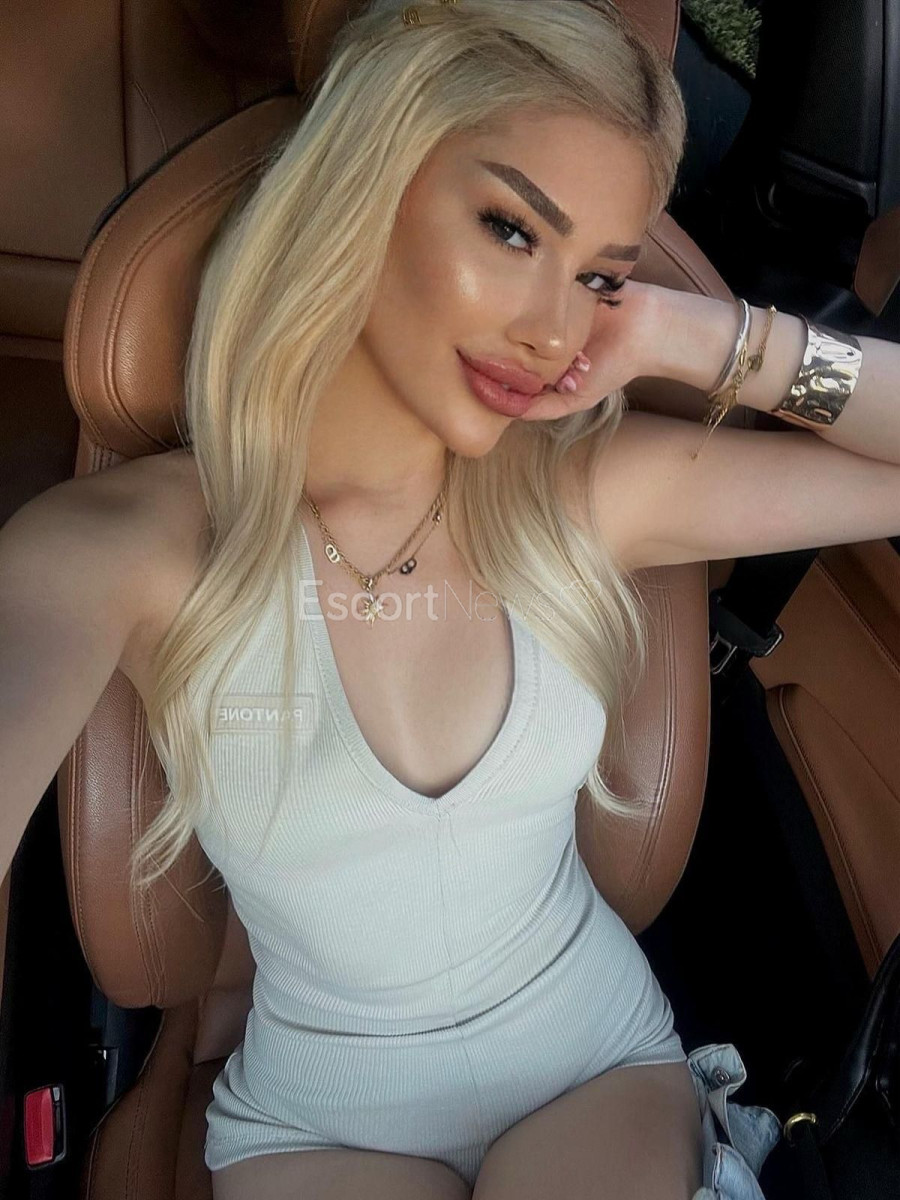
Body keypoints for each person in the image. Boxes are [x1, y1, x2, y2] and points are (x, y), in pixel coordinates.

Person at [2, 1, 899, 1198]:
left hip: (596, 1067)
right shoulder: (119, 547)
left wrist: (699, 333)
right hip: (317, 1125)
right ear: (358, 187)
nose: (552, 329)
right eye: (511, 228)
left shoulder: (582, 493)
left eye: (597, 274)